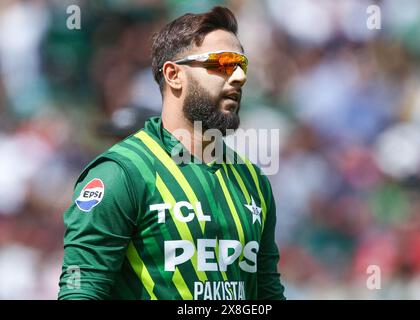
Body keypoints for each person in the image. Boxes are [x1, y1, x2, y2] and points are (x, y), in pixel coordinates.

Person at [58, 6, 285, 300]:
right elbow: (81, 291)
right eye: (224, 63)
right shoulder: (120, 173)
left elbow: (268, 294)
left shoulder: (252, 180)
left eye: (241, 63)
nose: (239, 76)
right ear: (174, 74)